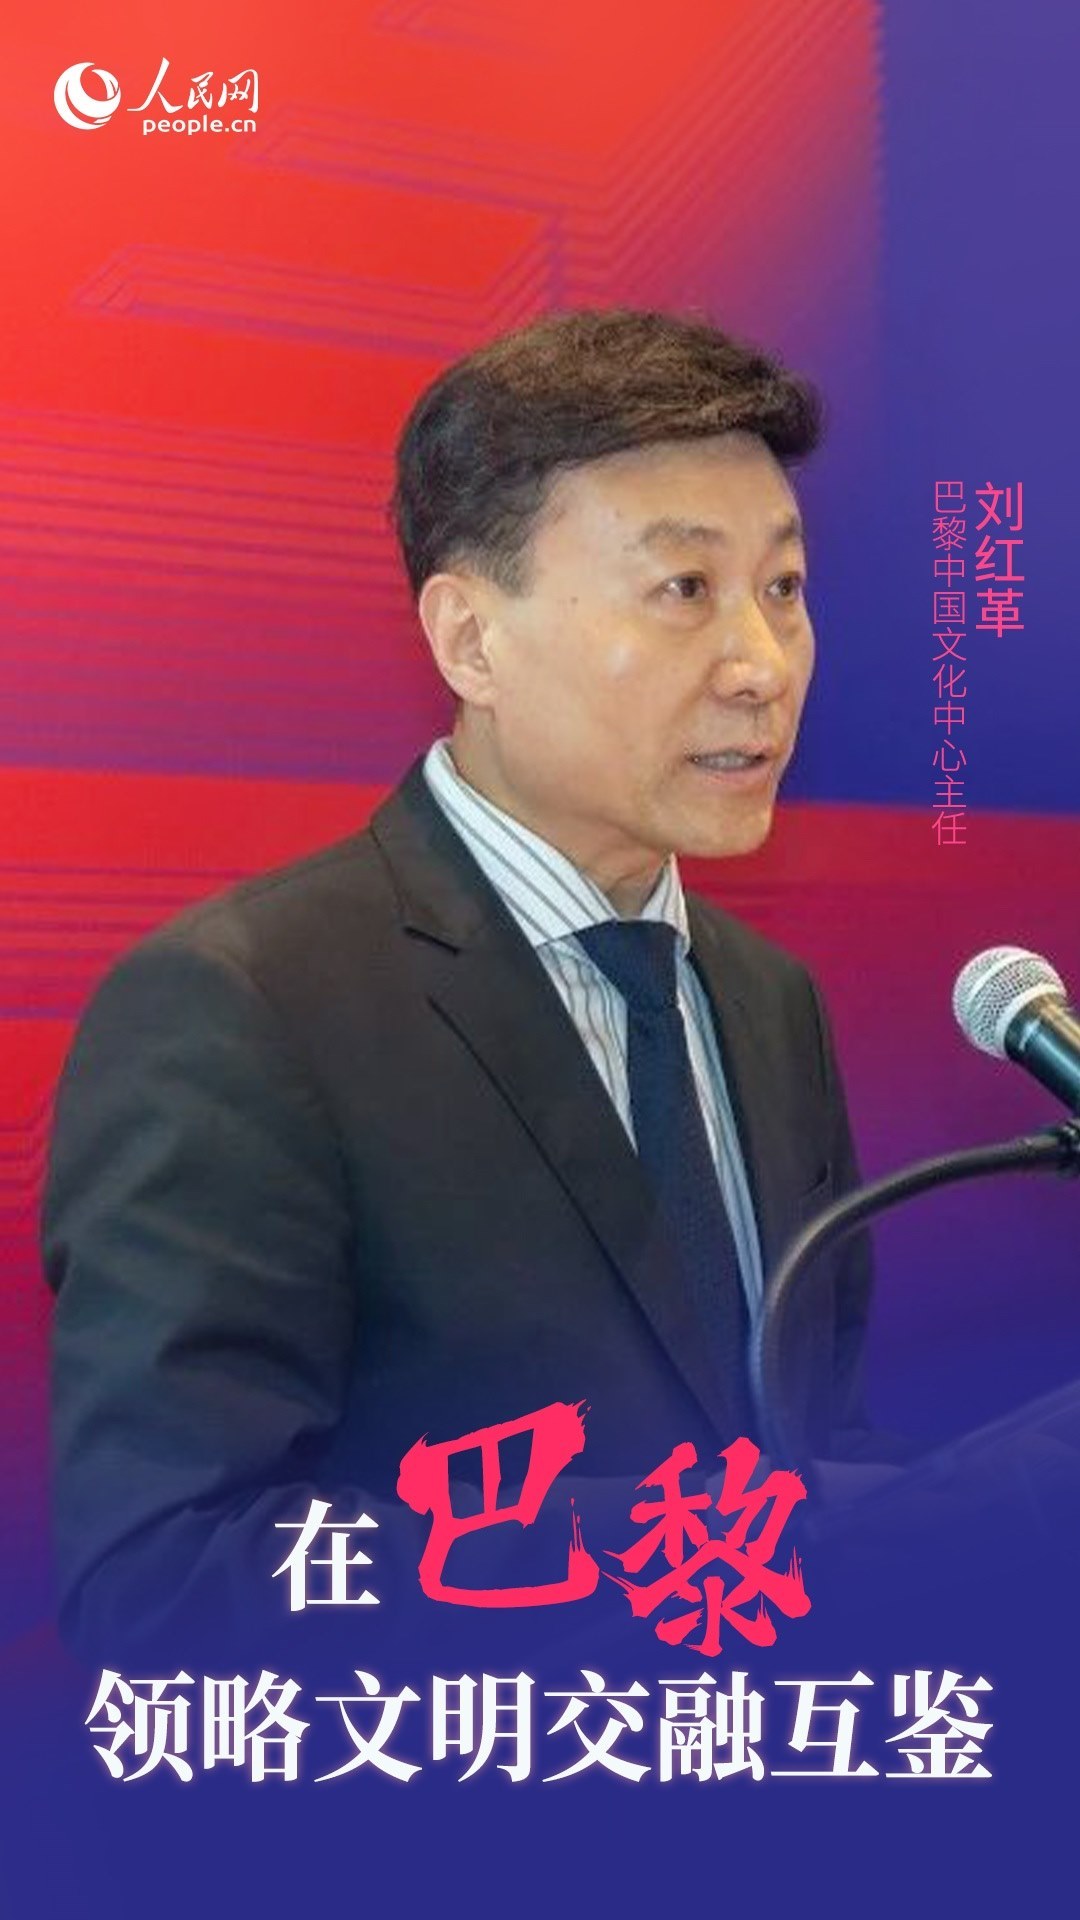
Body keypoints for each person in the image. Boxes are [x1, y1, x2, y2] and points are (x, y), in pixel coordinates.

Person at [42, 307, 874, 1661]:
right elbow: (166, 1578)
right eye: (685, 589)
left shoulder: (770, 1002)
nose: (762, 666)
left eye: (783, 588)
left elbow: (813, 1444)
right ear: (470, 641)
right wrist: (712, 1548)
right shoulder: (242, 1010)